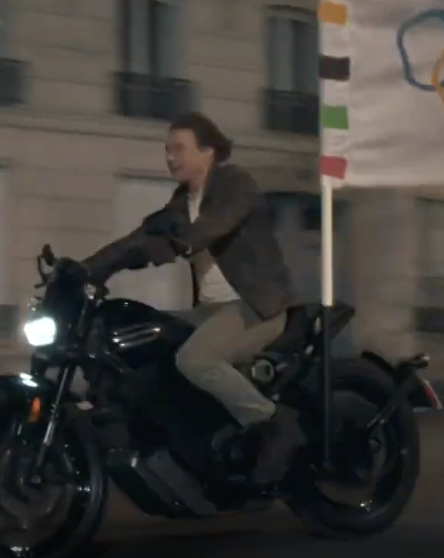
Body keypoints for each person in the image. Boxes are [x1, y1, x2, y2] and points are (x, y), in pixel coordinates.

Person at [82, 112, 307, 485]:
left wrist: (180, 242)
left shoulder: (235, 183)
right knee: (152, 343)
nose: (170, 157)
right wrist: (87, 268)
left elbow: (216, 224)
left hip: (256, 306)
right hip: (211, 311)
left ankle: (272, 423)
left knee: (196, 358)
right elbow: (139, 240)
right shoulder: (180, 202)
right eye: (167, 150)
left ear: (209, 151)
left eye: (179, 149)